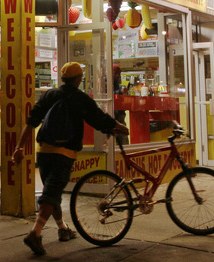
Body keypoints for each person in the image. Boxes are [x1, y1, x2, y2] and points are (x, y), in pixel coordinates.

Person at [12, 62, 129, 256]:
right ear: (78, 79)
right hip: (64, 153)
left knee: (52, 190)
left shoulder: (49, 95)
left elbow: (31, 122)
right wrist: (118, 127)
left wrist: (19, 147)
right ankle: (35, 232)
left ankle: (62, 228)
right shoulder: (80, 98)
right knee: (51, 193)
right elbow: (98, 118)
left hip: (44, 152)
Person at [112, 64, 129, 145]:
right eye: (115, 73)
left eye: (119, 74)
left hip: (119, 114)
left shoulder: (116, 84)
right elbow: (108, 95)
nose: (118, 75)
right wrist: (120, 92)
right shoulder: (106, 83)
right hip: (113, 114)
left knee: (123, 138)